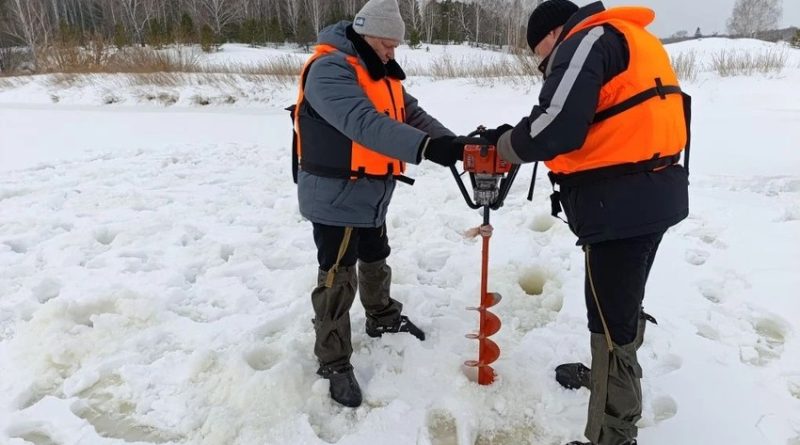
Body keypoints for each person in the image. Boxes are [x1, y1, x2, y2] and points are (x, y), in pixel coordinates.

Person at [480, 1, 691, 444]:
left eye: (542, 56)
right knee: (622, 305)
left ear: (556, 33)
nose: (544, 66)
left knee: (609, 325)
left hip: (619, 208)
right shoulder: (631, 37)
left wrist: (504, 145)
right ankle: (608, 383)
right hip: (655, 192)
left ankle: (613, 434)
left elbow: (556, 126)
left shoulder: (588, 39)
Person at [289, 0, 465, 408]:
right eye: (387, 45)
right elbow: (363, 123)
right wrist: (426, 149)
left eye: (394, 48)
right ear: (366, 35)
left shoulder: (378, 71)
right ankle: (332, 359)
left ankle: (382, 316)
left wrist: (456, 145)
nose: (392, 53)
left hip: (373, 190)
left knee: (376, 254)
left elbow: (412, 114)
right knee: (337, 274)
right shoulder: (329, 70)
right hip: (336, 194)